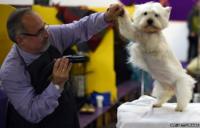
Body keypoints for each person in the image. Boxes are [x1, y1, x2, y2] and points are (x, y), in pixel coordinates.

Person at [0, 4, 124, 128]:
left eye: (44, 26)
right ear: (20, 39)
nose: (46, 34)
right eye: (39, 32)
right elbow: (33, 113)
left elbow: (80, 28)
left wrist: (106, 17)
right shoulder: (11, 71)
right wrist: (56, 85)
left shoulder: (50, 35)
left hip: (65, 117)